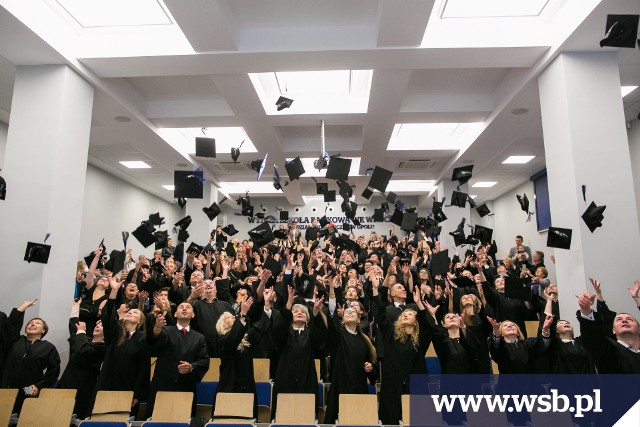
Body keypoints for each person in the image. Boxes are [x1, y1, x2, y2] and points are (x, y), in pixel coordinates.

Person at [372, 275, 429, 425]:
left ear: (415, 321)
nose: (406, 315)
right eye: (404, 314)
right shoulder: (391, 334)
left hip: (415, 383)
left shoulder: (420, 339)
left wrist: (418, 303)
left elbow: (426, 324)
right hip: (393, 383)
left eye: (410, 314)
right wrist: (375, 289)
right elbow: (380, 316)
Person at [212, 288, 275, 419]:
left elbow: (259, 329)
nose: (234, 317)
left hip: (246, 385)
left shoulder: (244, 336)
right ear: (223, 325)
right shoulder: (220, 339)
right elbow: (232, 340)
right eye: (229, 317)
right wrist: (242, 313)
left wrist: (267, 305)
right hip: (229, 386)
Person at [94, 277, 150, 415]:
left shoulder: (143, 340)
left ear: (140, 321)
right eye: (129, 312)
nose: (131, 312)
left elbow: (144, 369)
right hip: (107, 384)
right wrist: (114, 291)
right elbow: (107, 316)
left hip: (128, 388)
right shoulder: (116, 332)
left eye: (135, 312)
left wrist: (137, 394)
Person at [270, 286, 327, 418]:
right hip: (285, 379)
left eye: (303, 312)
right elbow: (277, 332)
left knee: (305, 416)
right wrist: (288, 306)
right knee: (283, 416)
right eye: (296, 312)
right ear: (290, 318)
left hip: (307, 380)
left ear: (307, 319)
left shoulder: (310, 334)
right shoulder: (284, 333)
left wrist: (317, 315)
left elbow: (320, 341)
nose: (300, 312)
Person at [145, 302, 209, 417]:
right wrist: (157, 328)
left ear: (193, 315)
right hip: (163, 385)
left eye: (188, 307)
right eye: (181, 307)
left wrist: (191, 367)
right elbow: (154, 341)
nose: (184, 309)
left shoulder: (199, 337)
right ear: (175, 314)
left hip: (186, 386)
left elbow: (204, 361)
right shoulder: (166, 330)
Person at [322, 299, 377, 424]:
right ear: (342, 319)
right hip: (340, 385)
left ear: (359, 319)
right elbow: (332, 323)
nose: (349, 313)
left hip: (359, 387)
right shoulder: (339, 335)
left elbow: (373, 372)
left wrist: (370, 368)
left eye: (353, 312)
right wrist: (331, 294)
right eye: (347, 312)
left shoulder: (365, 341)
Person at [1, 299, 61, 413]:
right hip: (6, 388)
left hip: (27, 392)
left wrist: (39, 386)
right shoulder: (15, 340)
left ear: (43, 330)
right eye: (30, 323)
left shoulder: (48, 347)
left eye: (37, 323)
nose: (33, 324)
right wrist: (25, 305)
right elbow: (11, 325)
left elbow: (53, 370)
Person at [577, 283, 640, 373]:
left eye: (629, 319)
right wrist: (586, 311)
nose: (624, 321)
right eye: (619, 320)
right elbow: (593, 336)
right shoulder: (608, 349)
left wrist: (636, 298)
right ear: (613, 330)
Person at [59, 299, 107, 419]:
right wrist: (75, 307)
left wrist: (81, 331)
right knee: (58, 414)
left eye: (101, 325)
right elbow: (74, 328)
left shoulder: (103, 347)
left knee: (76, 417)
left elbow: (83, 351)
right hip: (67, 380)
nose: (97, 326)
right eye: (97, 324)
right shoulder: (85, 339)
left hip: (84, 386)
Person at [488, 316, 553, 374]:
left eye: (512, 325)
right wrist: (496, 332)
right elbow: (496, 347)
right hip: (508, 385)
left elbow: (542, 345)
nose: (509, 326)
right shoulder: (502, 348)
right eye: (505, 325)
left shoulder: (527, 344)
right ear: (501, 333)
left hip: (529, 383)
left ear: (518, 332)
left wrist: (545, 330)